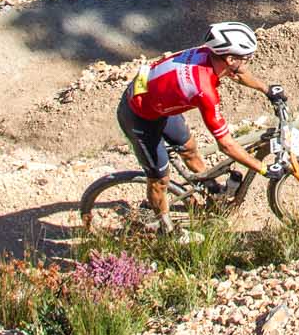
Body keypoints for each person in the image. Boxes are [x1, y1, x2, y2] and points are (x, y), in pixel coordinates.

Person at [118, 22, 278, 227]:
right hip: (138, 116)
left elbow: (237, 72)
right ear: (229, 58)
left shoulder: (208, 54)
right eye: (245, 57)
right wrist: (263, 168)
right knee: (160, 180)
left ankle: (212, 194)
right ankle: (166, 229)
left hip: (155, 99)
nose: (248, 62)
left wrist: (267, 89)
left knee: (190, 149)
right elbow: (226, 145)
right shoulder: (204, 90)